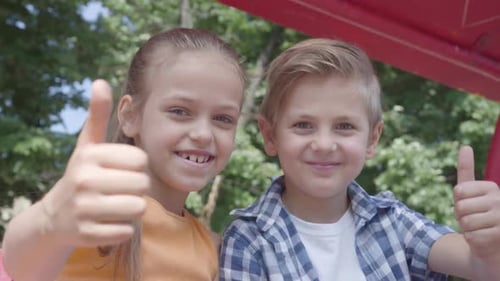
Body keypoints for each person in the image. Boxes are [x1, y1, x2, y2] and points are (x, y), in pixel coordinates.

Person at [219, 38, 500, 280]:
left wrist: (490, 248)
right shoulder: (247, 241)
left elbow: (482, 266)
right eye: (303, 125)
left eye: (344, 126)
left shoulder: (393, 222)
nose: (325, 144)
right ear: (270, 136)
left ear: (372, 139)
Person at [3, 27, 246, 281]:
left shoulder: (214, 248)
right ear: (130, 116)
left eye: (223, 118)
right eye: (180, 111)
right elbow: (20, 267)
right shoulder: (91, 211)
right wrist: (48, 220)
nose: (203, 134)